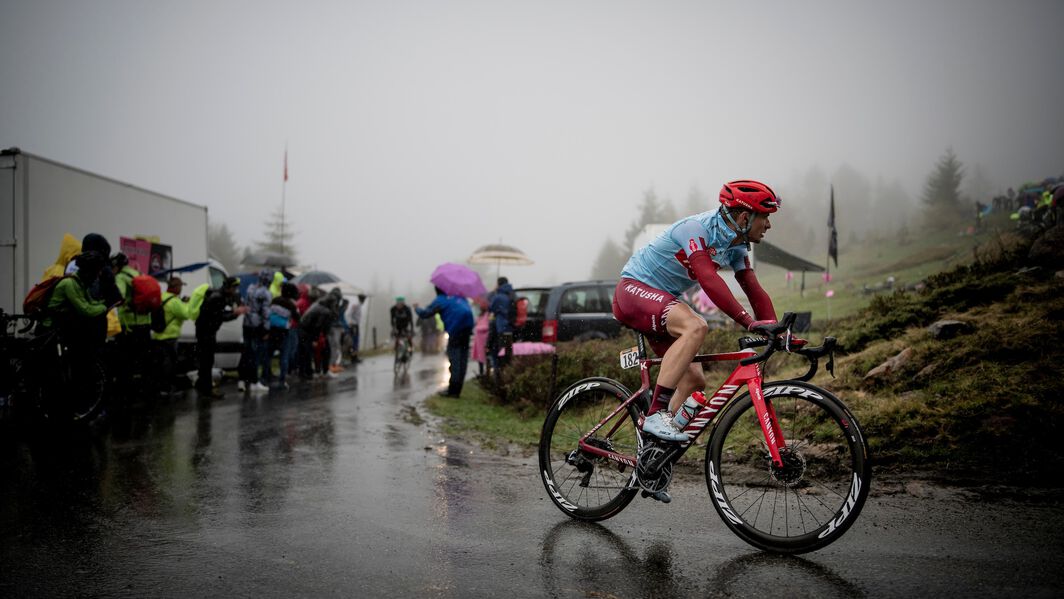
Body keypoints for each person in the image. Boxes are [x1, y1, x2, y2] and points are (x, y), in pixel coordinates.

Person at [613, 179, 799, 444]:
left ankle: (652, 454)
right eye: (765, 217)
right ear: (745, 216)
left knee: (693, 381)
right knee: (695, 326)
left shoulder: (735, 245)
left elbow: (753, 289)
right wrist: (748, 322)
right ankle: (655, 414)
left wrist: (777, 330)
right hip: (633, 290)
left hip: (660, 302)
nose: (768, 225)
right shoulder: (696, 229)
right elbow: (709, 279)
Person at [415, 287, 474, 397]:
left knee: (455, 359)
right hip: (467, 329)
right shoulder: (459, 297)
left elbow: (425, 314)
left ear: (437, 291)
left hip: (455, 330)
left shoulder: (440, 300)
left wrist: (417, 308)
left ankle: (453, 391)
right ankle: (458, 388)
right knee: (462, 359)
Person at [194, 277, 247, 398]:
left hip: (205, 331)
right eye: (234, 288)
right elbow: (221, 317)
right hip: (206, 332)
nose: (235, 290)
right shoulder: (217, 298)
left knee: (204, 359)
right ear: (228, 287)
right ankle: (207, 389)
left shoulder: (219, 295)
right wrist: (235, 313)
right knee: (207, 360)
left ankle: (201, 384)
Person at [152, 277, 193, 385]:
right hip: (169, 337)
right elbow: (185, 314)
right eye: (180, 286)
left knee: (159, 363)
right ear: (175, 287)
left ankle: (158, 386)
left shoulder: (162, 296)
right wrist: (186, 303)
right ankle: (166, 387)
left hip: (157, 335)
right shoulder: (175, 301)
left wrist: (181, 302)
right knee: (169, 363)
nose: (181, 289)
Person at [239, 269, 273, 393]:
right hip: (257, 325)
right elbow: (266, 312)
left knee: (246, 352)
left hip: (246, 323)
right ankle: (254, 382)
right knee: (254, 354)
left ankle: (242, 380)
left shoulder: (250, 288)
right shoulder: (266, 293)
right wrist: (266, 329)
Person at [266, 282, 301, 389]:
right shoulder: (291, 305)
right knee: (284, 357)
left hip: (271, 331)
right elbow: (297, 318)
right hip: (284, 332)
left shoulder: (275, 300)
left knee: (268, 355)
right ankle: (282, 381)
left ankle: (265, 377)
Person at [488, 277, 515, 370]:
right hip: (511, 328)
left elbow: (491, 308)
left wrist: (494, 293)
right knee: (509, 354)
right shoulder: (512, 293)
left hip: (501, 328)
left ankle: (502, 375)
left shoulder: (498, 296)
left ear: (499, 284)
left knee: (502, 354)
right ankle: (509, 372)